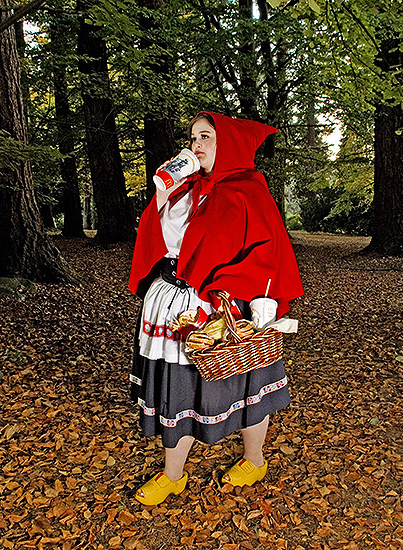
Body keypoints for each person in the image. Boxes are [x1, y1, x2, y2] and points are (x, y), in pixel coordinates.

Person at [128, 111, 303, 506]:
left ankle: (254, 460)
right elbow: (162, 240)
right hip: (174, 301)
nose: (196, 145)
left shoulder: (248, 191)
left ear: (231, 143)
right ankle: (173, 475)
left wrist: (257, 302)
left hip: (227, 309)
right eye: (193, 138)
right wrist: (161, 191)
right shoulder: (187, 188)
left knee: (246, 386)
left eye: (206, 137)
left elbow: (268, 256)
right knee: (177, 389)